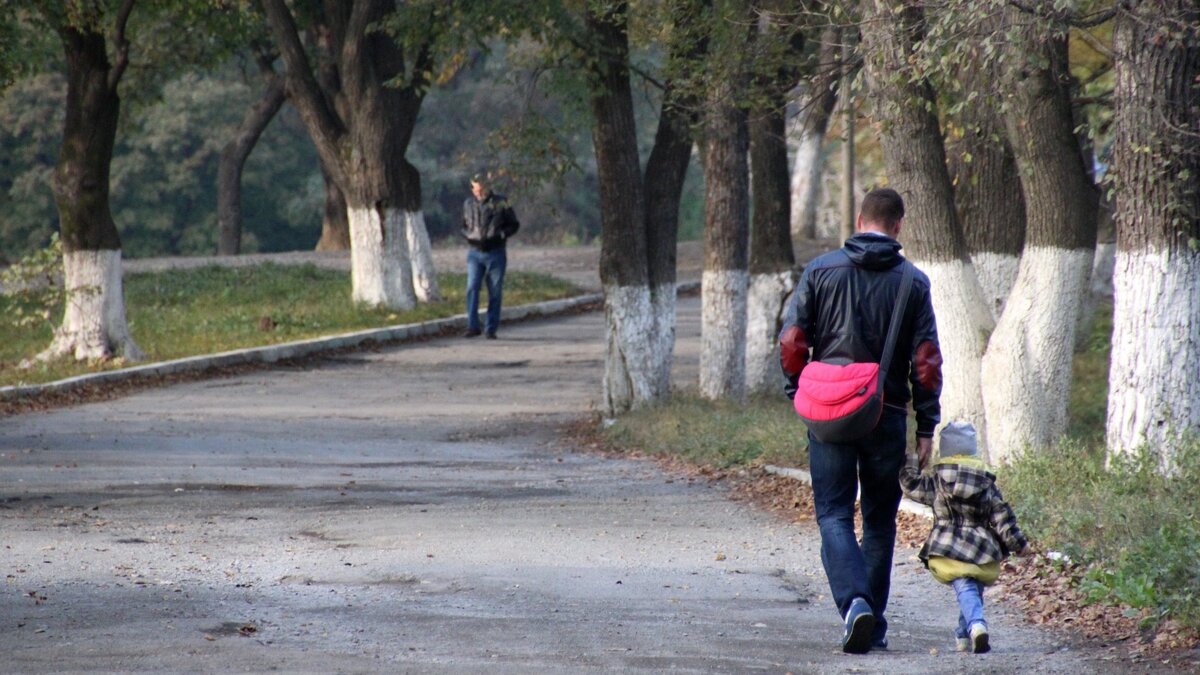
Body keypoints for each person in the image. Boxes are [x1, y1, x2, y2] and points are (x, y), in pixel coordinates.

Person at [777, 187, 943, 654]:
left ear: (858, 219)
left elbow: (792, 342)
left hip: (827, 413)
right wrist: (926, 426)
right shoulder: (913, 282)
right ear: (898, 226)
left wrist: (799, 392)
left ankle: (855, 606)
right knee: (879, 521)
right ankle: (874, 618)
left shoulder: (820, 270)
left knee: (832, 513)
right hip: (885, 414)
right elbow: (926, 361)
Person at [899, 421, 1028, 654]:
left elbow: (911, 485)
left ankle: (976, 625)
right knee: (972, 587)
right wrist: (1018, 544)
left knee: (965, 586)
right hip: (981, 547)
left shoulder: (938, 481)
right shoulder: (986, 483)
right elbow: (1002, 516)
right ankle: (964, 633)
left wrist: (912, 459)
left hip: (948, 545)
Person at [461, 171, 520, 339]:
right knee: (472, 287)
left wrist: (501, 235)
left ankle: (491, 328)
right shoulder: (468, 204)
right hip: (474, 253)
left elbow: (514, 225)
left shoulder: (501, 202)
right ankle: (473, 326)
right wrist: (468, 235)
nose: (478, 193)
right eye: (475, 190)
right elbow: (463, 226)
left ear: (488, 187)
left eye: (481, 190)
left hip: (496, 252)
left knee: (494, 291)